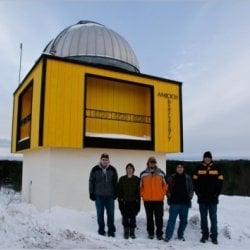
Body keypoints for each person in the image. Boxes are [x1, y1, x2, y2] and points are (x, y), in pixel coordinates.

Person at [192, 151, 224, 244]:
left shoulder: (217, 168)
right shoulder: (198, 168)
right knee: (203, 218)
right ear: (203, 158)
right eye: (205, 157)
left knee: (213, 218)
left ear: (211, 158)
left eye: (208, 157)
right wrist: (198, 193)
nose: (207, 159)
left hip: (213, 198)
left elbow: (220, 182)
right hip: (202, 198)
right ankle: (204, 235)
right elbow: (195, 182)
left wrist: (217, 193)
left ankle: (214, 236)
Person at [89, 153, 118, 237]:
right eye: (103, 160)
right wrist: (91, 193)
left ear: (108, 161)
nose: (105, 161)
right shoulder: (95, 169)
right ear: (100, 160)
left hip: (110, 196)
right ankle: (101, 230)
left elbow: (115, 182)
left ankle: (111, 231)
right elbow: (91, 181)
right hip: (99, 196)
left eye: (106, 160)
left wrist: (116, 192)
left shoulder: (112, 169)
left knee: (111, 214)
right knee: (100, 214)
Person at [164, 161, 194, 242]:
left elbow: (191, 189)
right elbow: (167, 189)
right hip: (174, 203)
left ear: (183, 168)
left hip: (185, 203)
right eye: (178, 167)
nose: (180, 168)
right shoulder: (171, 178)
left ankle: (180, 235)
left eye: (181, 167)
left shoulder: (187, 178)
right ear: (176, 169)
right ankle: (168, 236)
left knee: (184, 221)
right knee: (171, 220)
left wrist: (189, 197)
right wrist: (169, 196)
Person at [140, 156, 168, 240]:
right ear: (148, 163)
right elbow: (140, 187)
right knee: (149, 218)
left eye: (153, 162)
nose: (152, 163)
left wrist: (162, 194)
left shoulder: (161, 173)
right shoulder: (143, 174)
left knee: (159, 217)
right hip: (147, 200)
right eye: (150, 162)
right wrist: (143, 194)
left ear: (155, 163)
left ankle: (159, 234)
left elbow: (165, 186)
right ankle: (151, 233)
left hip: (158, 200)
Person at [118, 163, 141, 239]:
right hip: (124, 202)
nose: (129, 169)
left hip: (134, 202)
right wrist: (120, 201)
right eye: (128, 168)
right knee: (125, 218)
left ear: (133, 170)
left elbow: (139, 192)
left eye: (131, 168)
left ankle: (132, 232)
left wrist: (138, 202)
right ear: (126, 170)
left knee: (132, 218)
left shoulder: (137, 179)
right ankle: (126, 232)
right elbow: (119, 191)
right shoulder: (122, 179)